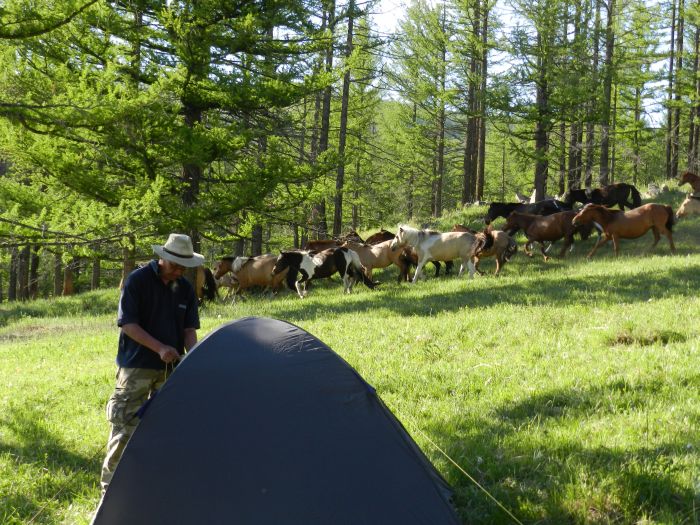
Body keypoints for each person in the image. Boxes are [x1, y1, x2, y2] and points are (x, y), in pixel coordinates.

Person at [100, 233, 204, 493]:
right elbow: (128, 325)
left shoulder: (186, 289)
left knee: (167, 431)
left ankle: (154, 489)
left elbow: (189, 330)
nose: (179, 271)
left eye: (184, 266)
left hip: (171, 370)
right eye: (175, 265)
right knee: (124, 432)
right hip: (136, 367)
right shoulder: (138, 281)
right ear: (162, 258)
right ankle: (110, 493)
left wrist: (194, 357)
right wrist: (159, 348)